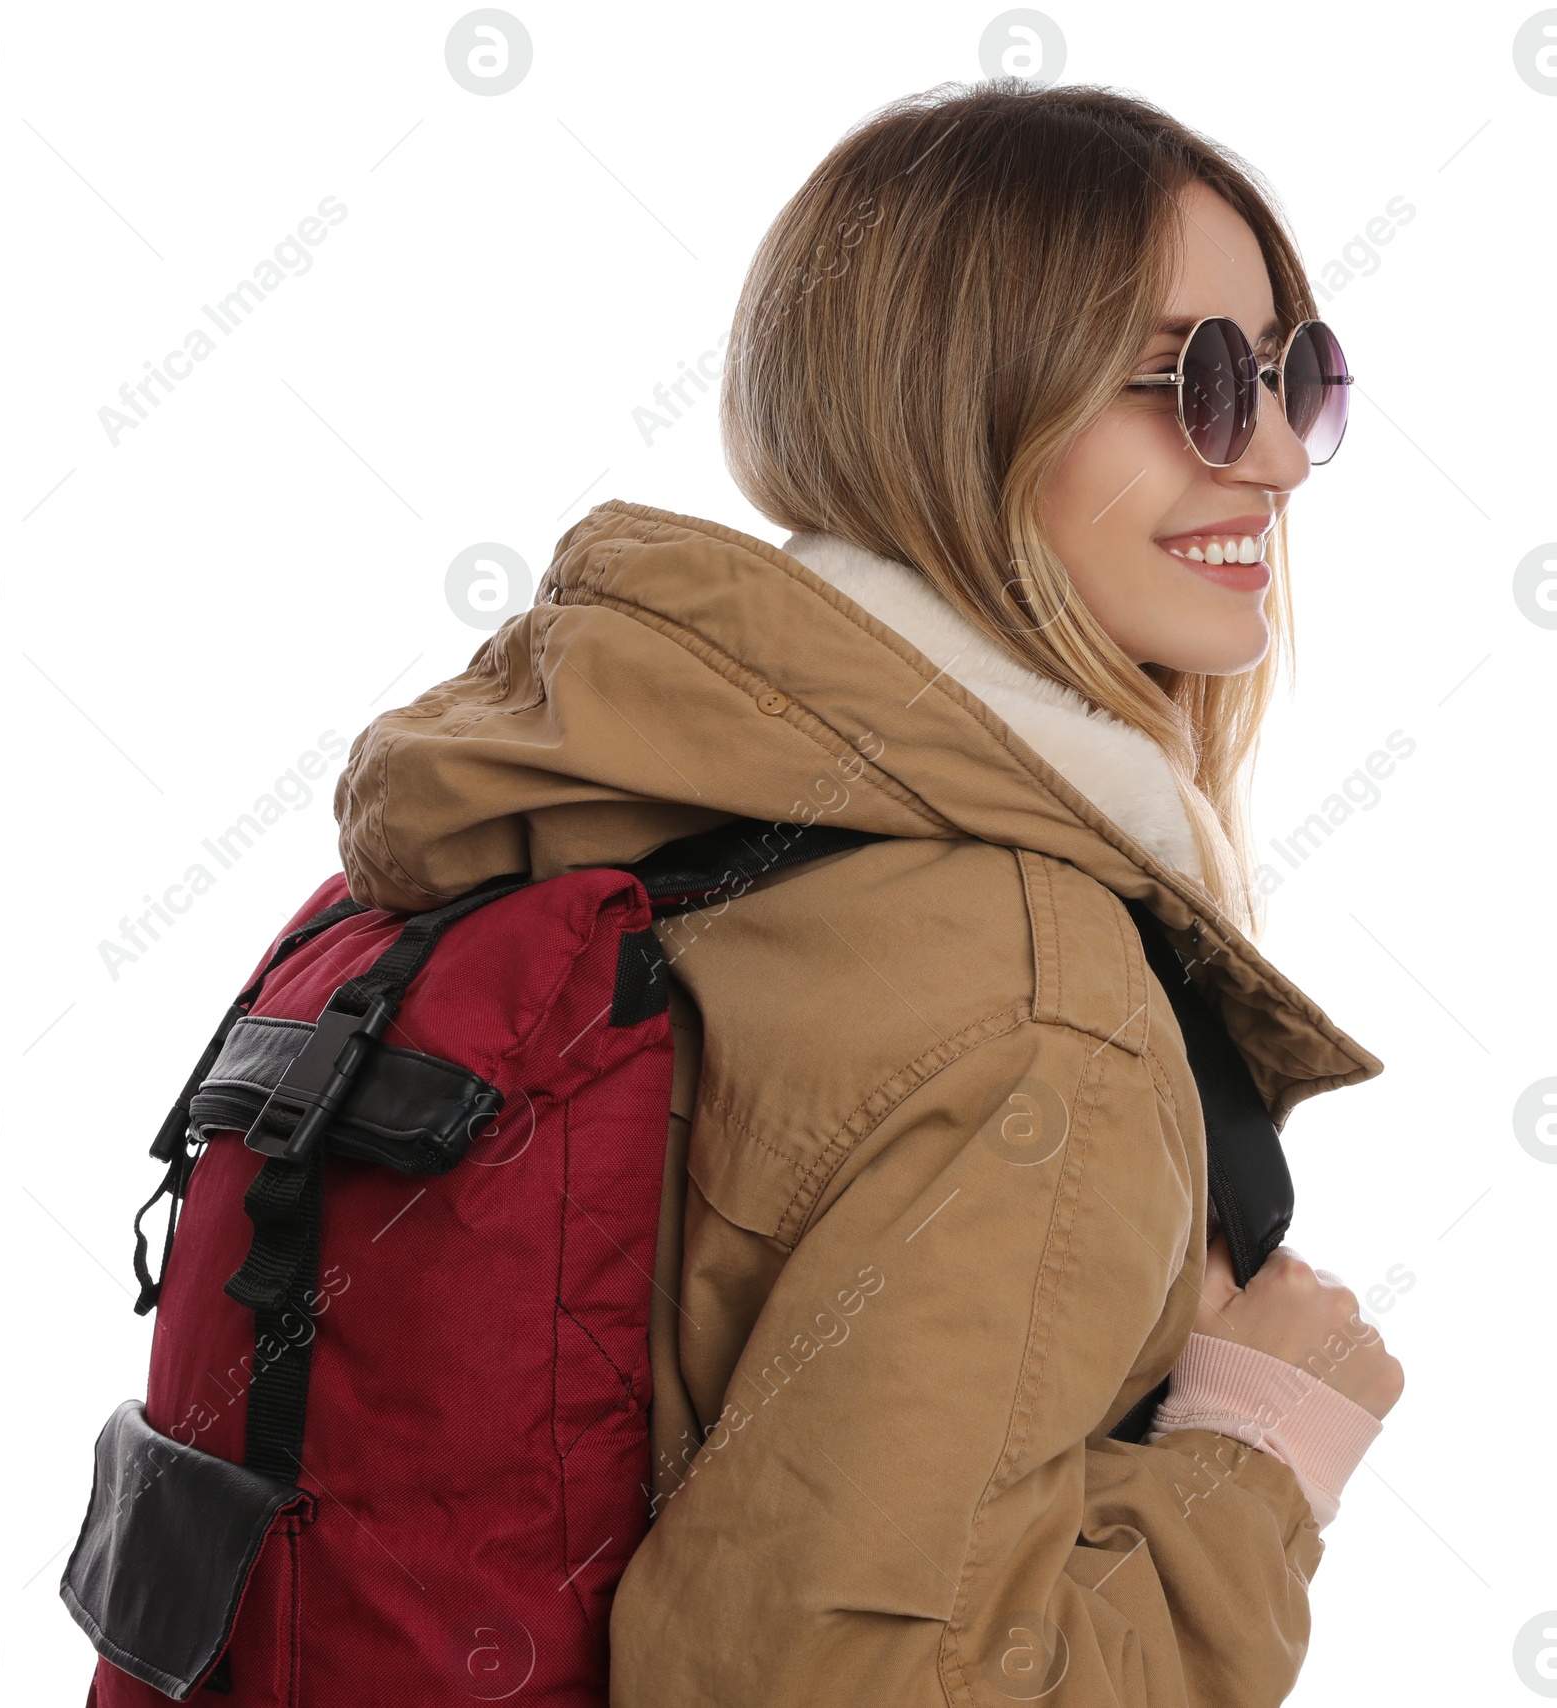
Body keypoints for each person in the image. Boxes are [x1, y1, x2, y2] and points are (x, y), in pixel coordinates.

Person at [333, 78, 1404, 1706]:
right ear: (966, 411)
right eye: (1193, 380)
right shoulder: (1036, 1004)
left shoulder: (626, 803)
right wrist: (1258, 1459)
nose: (1274, 456)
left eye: (1290, 376)